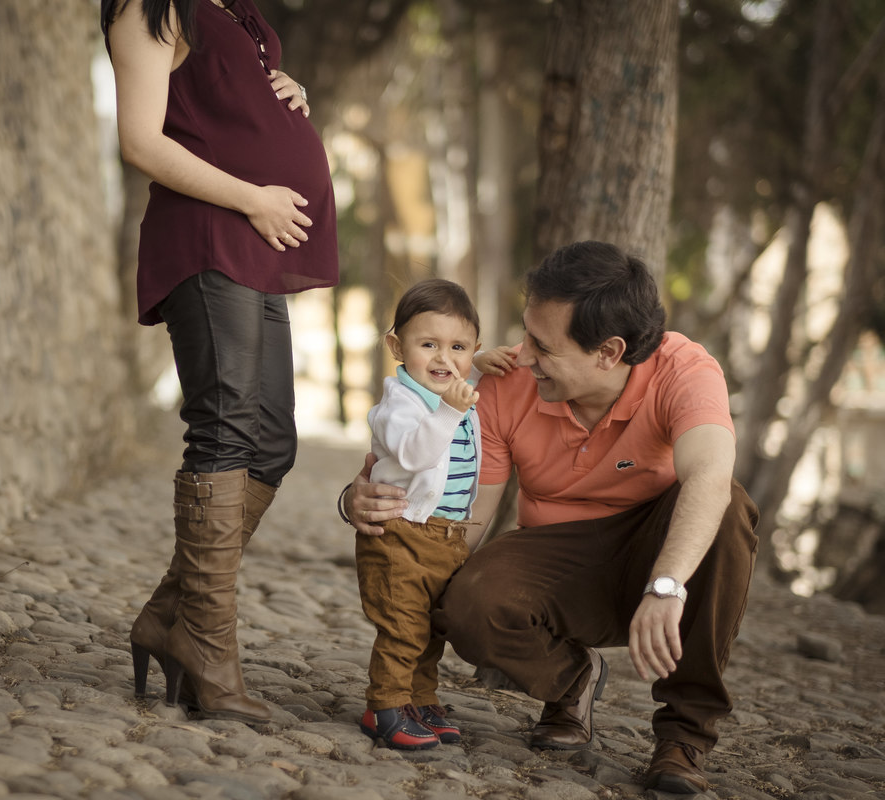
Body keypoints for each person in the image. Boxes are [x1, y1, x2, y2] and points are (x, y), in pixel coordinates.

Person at [342, 241, 759, 793]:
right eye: (526, 332)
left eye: (543, 345)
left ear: (609, 352)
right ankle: (572, 683)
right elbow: (469, 515)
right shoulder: (507, 383)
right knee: (465, 601)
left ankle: (685, 735)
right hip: (555, 549)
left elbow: (709, 475)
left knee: (728, 509)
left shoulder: (683, 368)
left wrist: (666, 585)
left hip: (655, 544)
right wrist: (368, 508)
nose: (524, 354)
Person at [101, 0, 338, 725]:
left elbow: (220, 102)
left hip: (252, 245)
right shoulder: (152, 9)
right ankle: (205, 643)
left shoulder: (236, 13)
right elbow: (141, 140)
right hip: (211, 234)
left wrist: (283, 88)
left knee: (270, 444)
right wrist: (253, 198)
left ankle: (170, 617)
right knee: (227, 430)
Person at [356, 279, 485, 750]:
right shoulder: (399, 405)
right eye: (427, 344)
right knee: (402, 625)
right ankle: (384, 707)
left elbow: (464, 374)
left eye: (457, 347)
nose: (443, 359)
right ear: (397, 345)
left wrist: (478, 368)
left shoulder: (453, 389)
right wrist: (449, 413)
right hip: (401, 532)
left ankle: (421, 700)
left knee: (431, 627)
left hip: (445, 536)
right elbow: (413, 454)